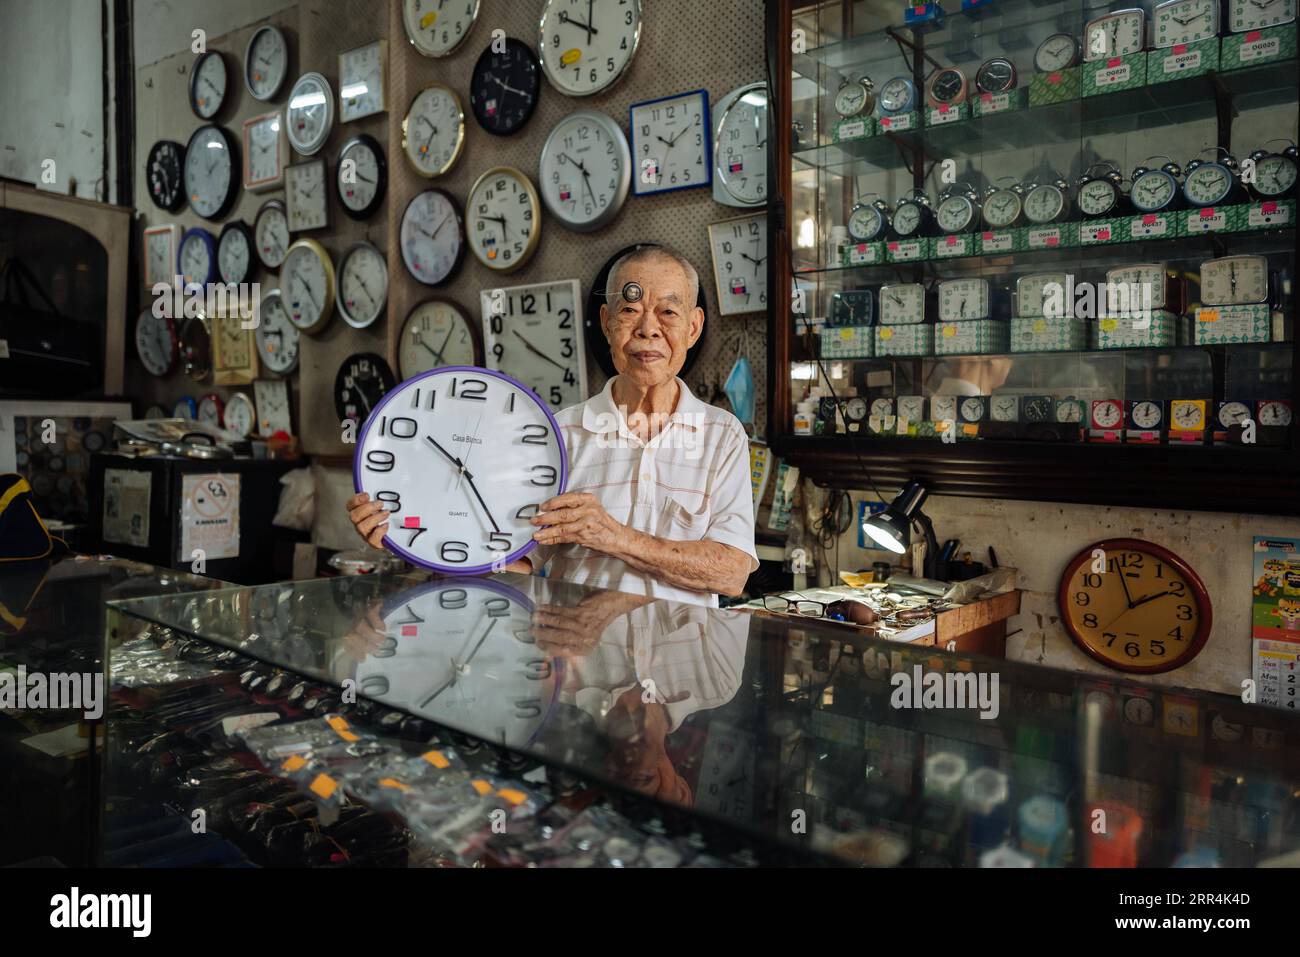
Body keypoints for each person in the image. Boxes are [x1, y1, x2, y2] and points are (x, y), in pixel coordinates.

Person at [347, 245, 758, 607]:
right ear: (607, 322)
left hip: (681, 676)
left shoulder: (721, 435)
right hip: (582, 676)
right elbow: (519, 562)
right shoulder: (555, 436)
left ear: (693, 327)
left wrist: (612, 536)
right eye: (630, 309)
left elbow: (731, 573)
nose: (648, 328)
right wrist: (412, 539)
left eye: (668, 311)